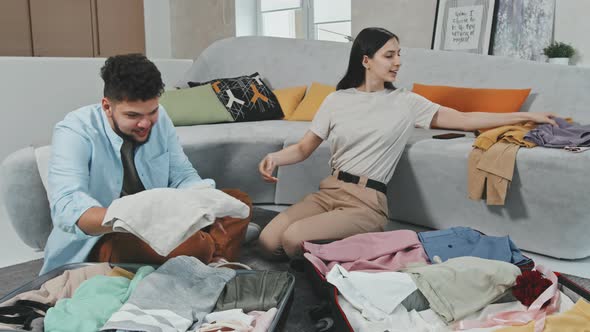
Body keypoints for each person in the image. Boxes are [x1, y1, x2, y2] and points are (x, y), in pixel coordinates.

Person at [257, 27, 556, 259]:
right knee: (268, 242)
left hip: (366, 202)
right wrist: (275, 158)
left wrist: (522, 116)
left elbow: (465, 119)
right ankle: (336, 254)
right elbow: (303, 148)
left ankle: (349, 251)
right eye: (389, 55)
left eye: (399, 54)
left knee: (293, 239)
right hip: (329, 191)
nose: (398, 62)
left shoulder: (406, 102)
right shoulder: (336, 100)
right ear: (366, 60)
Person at [42, 54, 252, 274]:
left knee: (237, 202)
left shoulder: (160, 120)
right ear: (107, 106)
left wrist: (206, 202)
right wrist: (132, 215)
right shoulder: (75, 130)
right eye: (133, 115)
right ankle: (213, 256)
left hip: (163, 217)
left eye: (152, 112)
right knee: (193, 245)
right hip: (106, 236)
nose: (145, 123)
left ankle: (206, 261)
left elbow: (182, 174)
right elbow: (67, 207)